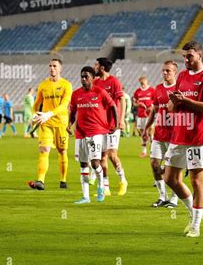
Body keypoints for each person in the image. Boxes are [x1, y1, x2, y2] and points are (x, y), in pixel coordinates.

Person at [164, 41, 203, 238]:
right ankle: (194, 210)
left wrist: (185, 101)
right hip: (179, 135)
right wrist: (174, 102)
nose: (186, 60)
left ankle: (195, 224)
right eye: (184, 57)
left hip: (197, 137)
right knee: (169, 178)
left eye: (190, 56)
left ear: (200, 55)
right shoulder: (182, 76)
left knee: (197, 180)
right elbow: (171, 106)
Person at [68, 66, 118, 204]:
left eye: (86, 77)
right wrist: (69, 124)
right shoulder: (76, 94)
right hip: (80, 133)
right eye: (82, 77)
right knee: (83, 164)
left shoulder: (100, 92)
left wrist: (116, 124)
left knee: (95, 163)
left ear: (92, 78)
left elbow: (113, 106)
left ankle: (100, 186)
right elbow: (72, 112)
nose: (83, 79)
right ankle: (85, 197)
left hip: (96, 132)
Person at [28, 59, 73, 190]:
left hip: (61, 123)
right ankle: (40, 181)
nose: (52, 68)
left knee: (62, 151)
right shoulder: (43, 85)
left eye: (55, 66)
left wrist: (49, 114)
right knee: (44, 150)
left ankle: (63, 180)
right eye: (50, 66)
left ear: (60, 69)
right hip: (46, 124)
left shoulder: (66, 85)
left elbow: (64, 105)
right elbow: (36, 104)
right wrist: (35, 114)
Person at [142, 60, 179, 208]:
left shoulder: (180, 88)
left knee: (172, 168)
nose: (165, 73)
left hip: (175, 135)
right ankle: (162, 196)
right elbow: (154, 110)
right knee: (154, 163)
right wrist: (146, 128)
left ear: (175, 72)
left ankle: (174, 198)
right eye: (163, 70)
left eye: (168, 71)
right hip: (159, 134)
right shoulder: (158, 89)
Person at [93, 57, 128, 196]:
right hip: (100, 124)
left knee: (113, 155)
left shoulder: (114, 81)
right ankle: (105, 187)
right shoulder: (95, 82)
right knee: (102, 157)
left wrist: (122, 119)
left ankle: (122, 180)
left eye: (96, 65)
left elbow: (122, 100)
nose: (94, 67)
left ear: (101, 67)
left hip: (113, 123)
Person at [133, 76, 156, 157]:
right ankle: (144, 151)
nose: (142, 85)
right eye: (141, 83)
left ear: (147, 82)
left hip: (149, 115)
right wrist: (138, 104)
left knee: (149, 132)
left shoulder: (152, 90)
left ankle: (152, 151)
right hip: (140, 115)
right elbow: (134, 103)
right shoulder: (137, 91)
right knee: (142, 133)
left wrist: (151, 107)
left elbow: (156, 102)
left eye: (143, 83)